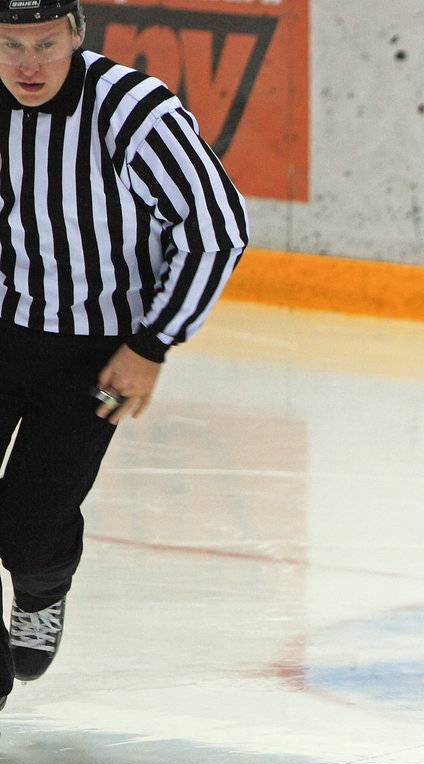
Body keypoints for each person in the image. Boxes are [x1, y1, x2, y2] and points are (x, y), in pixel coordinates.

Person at [0, 0, 249, 708]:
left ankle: (41, 584)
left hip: (97, 357)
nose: (28, 65)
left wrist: (150, 343)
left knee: (30, 526)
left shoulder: (134, 110)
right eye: (10, 45)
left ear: (78, 32)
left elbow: (216, 229)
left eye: (45, 43)